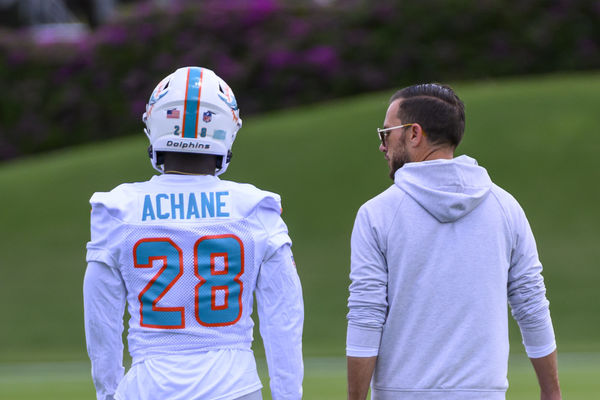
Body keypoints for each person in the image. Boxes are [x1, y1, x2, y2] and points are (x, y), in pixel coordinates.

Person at [83, 66, 304, 400]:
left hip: (148, 385)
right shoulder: (255, 208)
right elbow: (284, 319)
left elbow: (100, 318)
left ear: (154, 123)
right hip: (233, 386)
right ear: (226, 128)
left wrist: (108, 392)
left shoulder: (118, 208)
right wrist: (288, 395)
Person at [346, 83, 561, 400]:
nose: (382, 145)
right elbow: (531, 305)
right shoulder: (506, 207)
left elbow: (366, 315)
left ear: (414, 133)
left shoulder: (376, 214)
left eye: (386, 133)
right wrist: (552, 393)